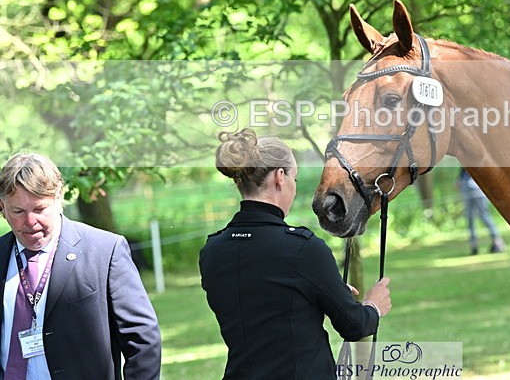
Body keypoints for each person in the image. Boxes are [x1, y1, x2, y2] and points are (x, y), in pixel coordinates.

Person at [200, 129, 391, 379]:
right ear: (280, 177)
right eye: (295, 179)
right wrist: (373, 306)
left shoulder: (212, 250)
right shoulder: (303, 248)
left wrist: (324, 290)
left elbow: (261, 301)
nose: (294, 187)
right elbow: (354, 326)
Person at [0, 152, 161, 379]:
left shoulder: (105, 251)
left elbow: (143, 339)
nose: (30, 221)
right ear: (2, 208)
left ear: (58, 199)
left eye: (39, 209)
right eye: (18, 211)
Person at [457, 168, 505, 255]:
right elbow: (463, 167)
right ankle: (473, 246)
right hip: (466, 183)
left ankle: (497, 242)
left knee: (484, 215)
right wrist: (459, 178)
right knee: (470, 217)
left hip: (476, 186)